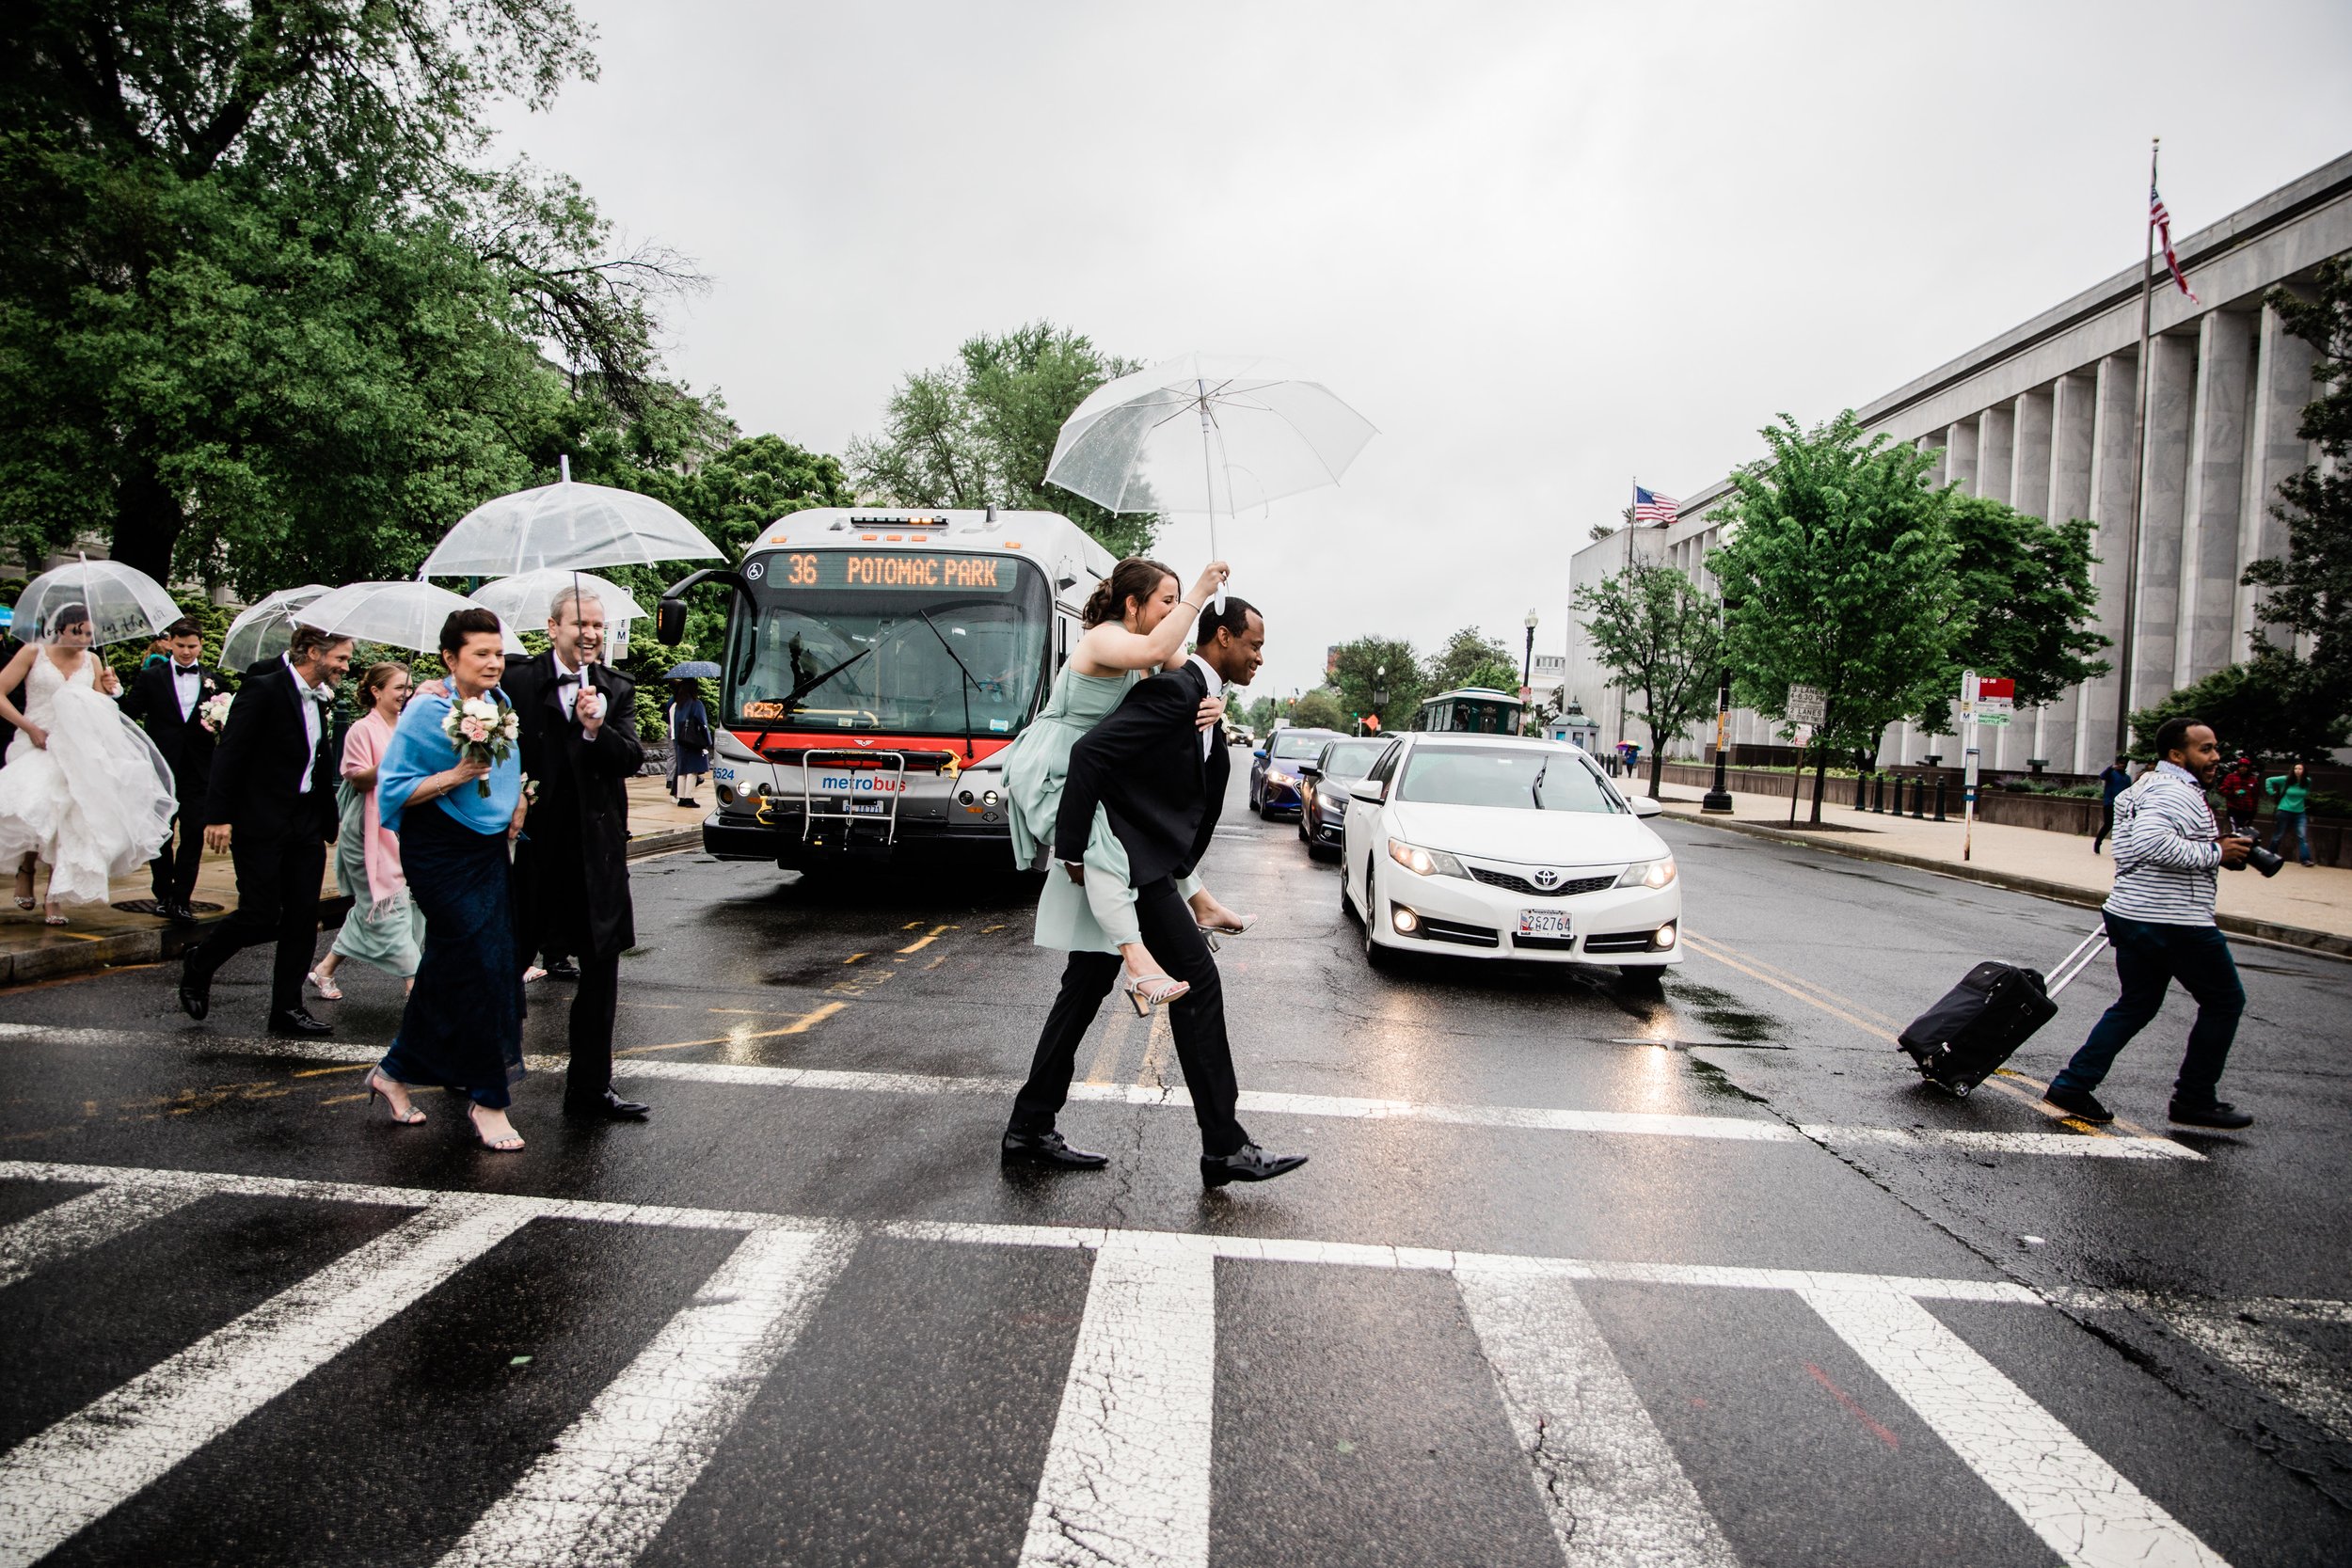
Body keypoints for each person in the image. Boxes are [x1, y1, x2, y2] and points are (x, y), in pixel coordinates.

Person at [1007, 596, 1307, 1189]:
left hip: (1144, 861)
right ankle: (1224, 1146)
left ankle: (1028, 1128)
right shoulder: (1174, 691)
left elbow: (1171, 780)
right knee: (1199, 987)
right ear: (1223, 637)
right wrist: (1071, 852)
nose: (1260, 657)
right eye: (1254, 645)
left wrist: (1215, 725)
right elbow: (1091, 753)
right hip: (1131, 867)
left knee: (1083, 990)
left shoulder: (1193, 692)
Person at [1001, 557, 1247, 1019]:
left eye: (1178, 602)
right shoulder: (1106, 638)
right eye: (1167, 602)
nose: (1175, 611)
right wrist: (1198, 591)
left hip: (1094, 767)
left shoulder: (1145, 642)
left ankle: (1201, 903)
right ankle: (1137, 964)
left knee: (1143, 837)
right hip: (1055, 763)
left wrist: (1217, 705)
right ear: (1133, 605)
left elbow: (1195, 677)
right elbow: (1158, 650)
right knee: (1108, 846)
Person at [366, 609, 530, 1149]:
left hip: (485, 849)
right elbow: (394, 790)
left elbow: (506, 772)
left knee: (459, 965)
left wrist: (517, 799)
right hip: (436, 848)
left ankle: (392, 1072)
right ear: (449, 658)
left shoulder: (500, 706)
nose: (493, 662)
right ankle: (488, 1100)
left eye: (498, 652)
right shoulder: (426, 711)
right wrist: (455, 775)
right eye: (480, 653)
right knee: (481, 965)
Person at [2042, 717, 2255, 1132]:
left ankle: (2073, 1084)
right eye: (2205, 749)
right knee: (2225, 1001)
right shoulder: (2176, 792)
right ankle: (2194, 1098)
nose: (2215, 757)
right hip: (2173, 920)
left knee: (2136, 1003)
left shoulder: (2144, 787)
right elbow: (2148, 843)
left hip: (2132, 911)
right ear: (2177, 755)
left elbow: (2125, 847)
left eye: (2215, 748)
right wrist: (2215, 853)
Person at [506, 587, 649, 1122]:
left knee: (600, 972)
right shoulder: (518, 681)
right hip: (532, 850)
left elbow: (631, 759)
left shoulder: (617, 687)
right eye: (579, 623)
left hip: (597, 856)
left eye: (596, 624)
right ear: (552, 627)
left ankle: (590, 1090)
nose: (589, 633)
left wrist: (597, 728)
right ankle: (475, 1070)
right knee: (505, 962)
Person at [178, 624, 352, 1033]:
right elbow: (231, 752)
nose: (346, 665)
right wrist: (217, 816)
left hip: (306, 820)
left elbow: (316, 757)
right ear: (312, 652)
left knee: (302, 916)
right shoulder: (264, 688)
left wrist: (329, 818)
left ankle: (286, 1009)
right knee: (259, 913)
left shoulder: (320, 698)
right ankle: (200, 962)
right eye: (341, 658)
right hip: (261, 819)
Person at [0, 604, 177, 924]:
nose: (83, 640)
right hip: (37, 741)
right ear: (60, 629)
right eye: (77, 632)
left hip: (78, 748)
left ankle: (55, 897)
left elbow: (102, 707)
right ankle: (25, 869)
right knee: (35, 810)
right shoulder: (33, 652)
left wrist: (111, 689)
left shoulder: (93, 660)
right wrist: (30, 728)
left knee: (71, 819)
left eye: (89, 634)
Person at [306, 663, 424, 999]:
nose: (406, 694)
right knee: (390, 903)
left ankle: (325, 969)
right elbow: (357, 778)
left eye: (409, 687)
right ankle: (416, 982)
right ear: (376, 691)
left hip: (402, 823)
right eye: (399, 687)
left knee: (375, 904)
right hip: (367, 827)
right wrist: (395, 762)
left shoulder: (406, 727)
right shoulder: (361, 729)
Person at [118, 616, 231, 922]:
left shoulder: (214, 683)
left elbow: (227, 726)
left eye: (191, 646)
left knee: (193, 835)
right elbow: (128, 715)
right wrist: (114, 692)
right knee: (161, 835)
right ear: (169, 643)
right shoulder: (151, 677)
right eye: (180, 645)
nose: (186, 652)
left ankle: (182, 899)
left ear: (201, 644)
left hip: (199, 771)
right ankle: (162, 892)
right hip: (160, 769)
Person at [666, 679, 710, 808]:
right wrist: (707, 740)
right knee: (693, 769)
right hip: (693, 740)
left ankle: (681, 797)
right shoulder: (696, 704)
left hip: (680, 740)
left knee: (682, 769)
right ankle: (689, 797)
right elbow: (703, 723)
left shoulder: (678, 704)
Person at [2265, 762, 2315, 867]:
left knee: (2302, 836)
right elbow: (2268, 780)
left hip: (2300, 812)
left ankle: (2305, 859)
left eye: (2300, 769)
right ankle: (2270, 855)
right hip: (2284, 810)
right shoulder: (2286, 779)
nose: (2297, 771)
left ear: (2304, 771)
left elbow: (2306, 792)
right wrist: (2271, 792)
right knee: (2278, 835)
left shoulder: (2307, 781)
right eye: (2295, 768)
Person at [2092, 754, 2132, 853]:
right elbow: (2102, 776)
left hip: (2122, 805)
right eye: (2121, 763)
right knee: (2108, 824)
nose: (2123, 765)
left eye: (2125, 764)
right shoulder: (2111, 774)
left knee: (2123, 826)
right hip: (2110, 803)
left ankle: (2121, 847)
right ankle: (2098, 843)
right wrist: (2110, 768)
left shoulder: (2127, 778)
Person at [2216, 755, 2262, 838]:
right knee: (2234, 831)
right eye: (2241, 766)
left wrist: (2254, 810)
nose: (2243, 768)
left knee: (2244, 833)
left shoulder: (2253, 780)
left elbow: (2255, 796)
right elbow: (2222, 790)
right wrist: (2233, 793)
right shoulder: (2231, 777)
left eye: (2245, 767)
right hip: (2234, 809)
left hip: (2248, 810)